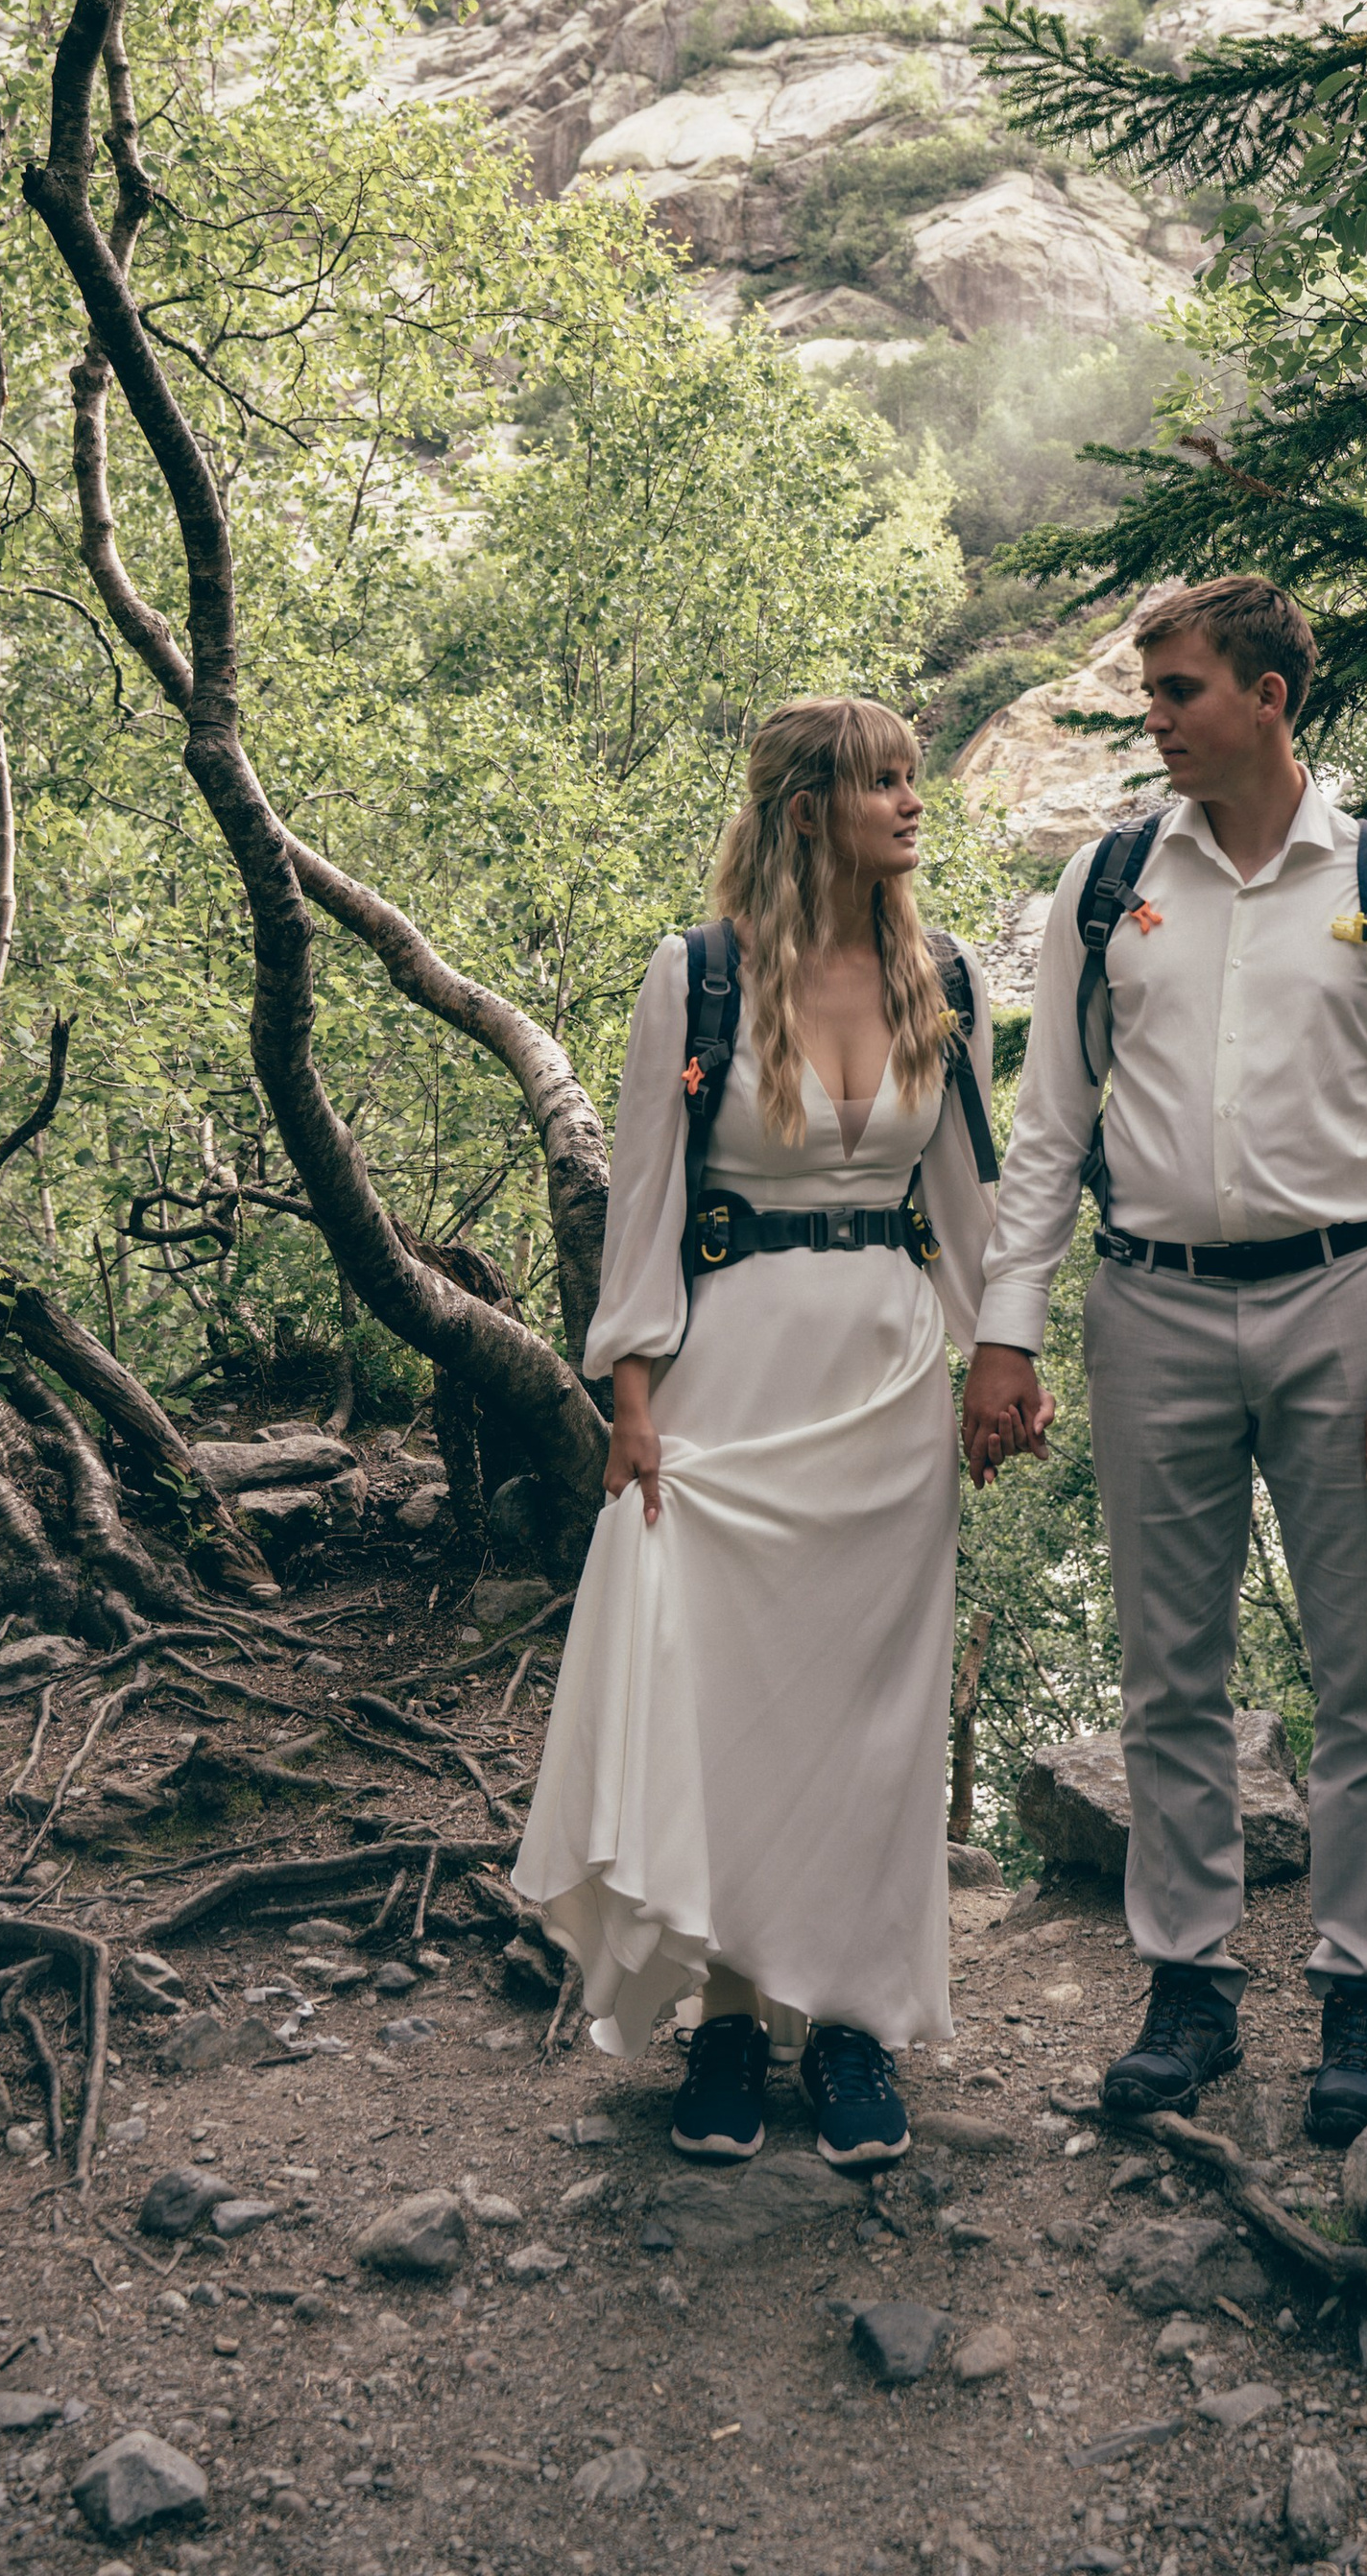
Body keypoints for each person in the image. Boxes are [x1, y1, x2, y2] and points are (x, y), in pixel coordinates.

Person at [961, 575, 1367, 2148]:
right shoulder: (1110, 881)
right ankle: (1187, 1991)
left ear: (1269, 697)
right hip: (1153, 1307)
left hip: (1346, 1300)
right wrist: (1006, 1331)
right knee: (1168, 1669)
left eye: (1178, 689)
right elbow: (1049, 1124)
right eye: (1148, 692)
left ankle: (1364, 1991)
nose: (1155, 719)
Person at [515, 698, 996, 2172]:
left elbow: (972, 1193)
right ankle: (727, 2012)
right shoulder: (700, 977)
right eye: (882, 782)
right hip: (730, 1378)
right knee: (727, 1698)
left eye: (915, 778)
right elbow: (647, 1197)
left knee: (876, 1717)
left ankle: (850, 2023)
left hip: (889, 1385)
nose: (912, 802)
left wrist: (1004, 1356)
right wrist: (631, 1396)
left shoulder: (944, 976)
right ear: (805, 811)